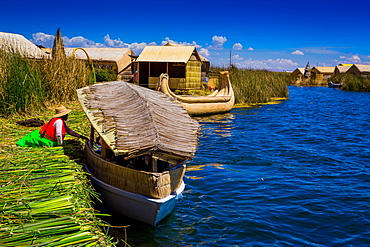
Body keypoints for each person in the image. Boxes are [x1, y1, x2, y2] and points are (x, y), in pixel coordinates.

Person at [16, 105, 88, 147]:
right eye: (67, 114)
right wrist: (61, 144)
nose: (68, 116)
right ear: (63, 115)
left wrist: (80, 136)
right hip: (51, 141)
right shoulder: (59, 121)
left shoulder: (58, 120)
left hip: (48, 137)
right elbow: (58, 134)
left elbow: (69, 131)